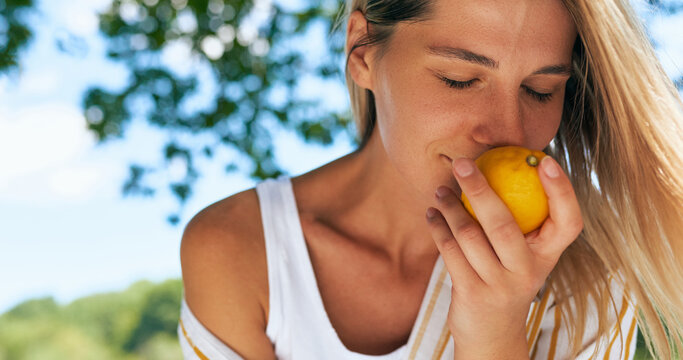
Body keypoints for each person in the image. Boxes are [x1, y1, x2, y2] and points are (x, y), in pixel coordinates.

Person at [177, 0, 683, 358]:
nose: (508, 132)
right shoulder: (239, 249)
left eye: (540, 89)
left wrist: (494, 331)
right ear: (362, 52)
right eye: (459, 79)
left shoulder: (588, 276)